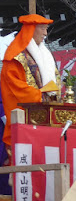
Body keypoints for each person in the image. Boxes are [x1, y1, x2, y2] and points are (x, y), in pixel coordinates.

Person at [0, 14, 61, 146]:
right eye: (42, 28)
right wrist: (42, 94)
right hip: (25, 116)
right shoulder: (14, 57)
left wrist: (55, 93)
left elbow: (56, 79)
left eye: (46, 29)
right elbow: (16, 88)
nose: (45, 33)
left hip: (46, 114)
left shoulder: (45, 55)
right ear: (31, 30)